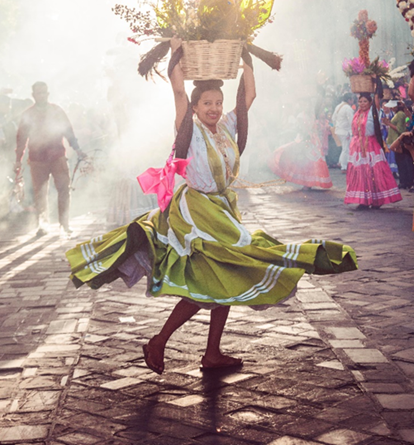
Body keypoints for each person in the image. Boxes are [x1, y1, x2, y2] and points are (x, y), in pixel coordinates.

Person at [66, 38, 357, 375]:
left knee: (225, 273)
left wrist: (246, 58)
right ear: (194, 106)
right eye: (207, 103)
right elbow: (177, 94)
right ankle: (160, 340)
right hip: (197, 212)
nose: (215, 108)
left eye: (218, 102)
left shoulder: (226, 127)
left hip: (222, 209)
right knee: (212, 278)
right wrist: (175, 55)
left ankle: (211, 352)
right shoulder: (187, 127)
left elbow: (248, 97)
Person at [14, 82, 86, 237]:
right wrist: (18, 159)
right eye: (39, 93)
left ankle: (64, 224)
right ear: (33, 95)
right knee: (40, 192)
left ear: (48, 94)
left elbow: (68, 130)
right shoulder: (28, 114)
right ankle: (42, 224)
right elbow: (21, 138)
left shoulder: (56, 110)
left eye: (44, 93)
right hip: (37, 158)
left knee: (64, 189)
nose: (42, 95)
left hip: (57, 155)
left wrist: (77, 148)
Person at [344, 93, 402, 209]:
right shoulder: (357, 114)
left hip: (371, 146)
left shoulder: (373, 112)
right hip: (358, 148)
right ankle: (364, 200)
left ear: (370, 103)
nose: (362, 104)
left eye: (365, 101)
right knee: (361, 173)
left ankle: (377, 199)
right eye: (360, 101)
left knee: (374, 172)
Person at [269, 102, 332, 190]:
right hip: (304, 140)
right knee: (305, 162)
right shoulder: (300, 116)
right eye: (306, 105)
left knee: (314, 162)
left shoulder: (312, 115)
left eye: (310, 105)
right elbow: (300, 128)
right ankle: (306, 183)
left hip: (314, 141)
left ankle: (310, 182)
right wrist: (304, 137)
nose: (308, 107)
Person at [331, 93, 354, 173]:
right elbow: (351, 121)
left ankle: (341, 163)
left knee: (344, 148)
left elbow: (333, 119)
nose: (353, 101)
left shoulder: (338, 106)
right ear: (349, 100)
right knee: (346, 149)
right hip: (345, 131)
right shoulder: (347, 108)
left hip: (338, 130)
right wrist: (352, 131)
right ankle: (344, 167)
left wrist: (337, 126)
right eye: (352, 99)